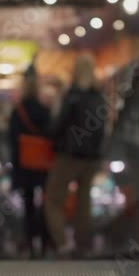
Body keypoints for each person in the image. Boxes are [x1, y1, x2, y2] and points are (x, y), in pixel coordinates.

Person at [45, 54, 107, 256]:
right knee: (84, 201)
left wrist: (52, 136)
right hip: (91, 158)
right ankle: (83, 244)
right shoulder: (99, 97)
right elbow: (102, 129)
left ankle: (63, 243)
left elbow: (59, 126)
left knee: (54, 199)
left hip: (70, 155)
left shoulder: (72, 96)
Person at [8, 63, 51, 257]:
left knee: (28, 205)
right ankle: (44, 242)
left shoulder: (18, 112)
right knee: (45, 203)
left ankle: (30, 244)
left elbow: (12, 140)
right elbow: (53, 135)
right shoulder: (45, 110)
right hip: (42, 164)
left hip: (24, 165)